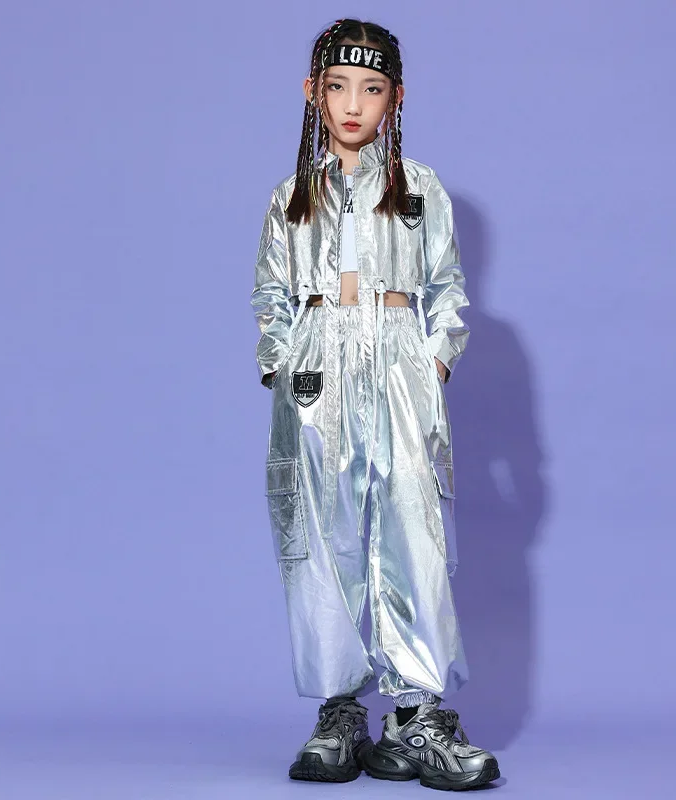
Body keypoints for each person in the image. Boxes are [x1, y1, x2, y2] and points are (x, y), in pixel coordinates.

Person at [250, 18, 501, 792]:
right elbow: (270, 298)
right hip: (316, 370)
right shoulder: (292, 198)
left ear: (397, 98)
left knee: (411, 530)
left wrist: (430, 364)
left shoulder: (420, 189)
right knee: (320, 537)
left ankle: (418, 715)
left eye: (371, 88)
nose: (353, 104)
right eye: (337, 87)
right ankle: (339, 713)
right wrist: (284, 367)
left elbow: (447, 291)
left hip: (396, 362)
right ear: (312, 93)